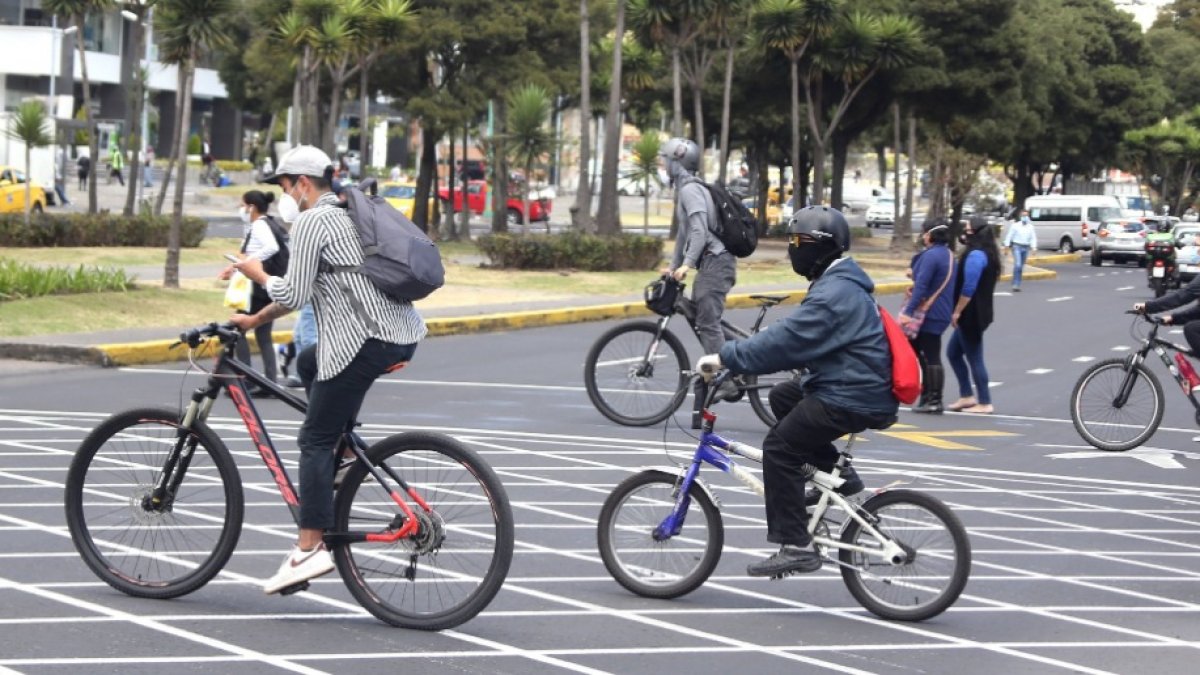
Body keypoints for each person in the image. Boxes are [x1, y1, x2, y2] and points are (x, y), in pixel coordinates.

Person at [229, 145, 426, 594]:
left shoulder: (313, 220)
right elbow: (306, 287)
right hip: (396, 333)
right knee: (307, 361)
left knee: (313, 441)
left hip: (364, 341)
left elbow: (292, 292)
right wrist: (255, 320)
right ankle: (347, 449)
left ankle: (309, 548)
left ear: (302, 183)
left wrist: (256, 273)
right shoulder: (346, 213)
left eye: (285, 186)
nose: (284, 196)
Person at [694, 207, 898, 577]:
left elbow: (787, 340)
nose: (792, 249)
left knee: (779, 449)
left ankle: (796, 545)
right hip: (853, 385)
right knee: (783, 397)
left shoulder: (834, 292)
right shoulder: (839, 284)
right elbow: (802, 342)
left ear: (820, 246)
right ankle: (840, 480)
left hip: (852, 394)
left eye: (798, 241)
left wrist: (726, 357)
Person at [659, 137, 739, 406]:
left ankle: (725, 381)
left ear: (677, 162)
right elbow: (683, 236)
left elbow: (699, 230)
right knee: (706, 317)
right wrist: (674, 266)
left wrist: (687, 264)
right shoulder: (687, 190)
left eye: (666, 160)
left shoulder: (691, 191)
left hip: (717, 263)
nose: (663, 165)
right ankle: (740, 357)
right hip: (712, 263)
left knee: (707, 322)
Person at [220, 190, 285, 394]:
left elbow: (271, 248)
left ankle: (246, 379)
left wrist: (246, 263)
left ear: (252, 207)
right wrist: (235, 267)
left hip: (259, 287)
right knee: (263, 334)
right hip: (267, 285)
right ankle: (270, 383)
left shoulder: (259, 225)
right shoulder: (269, 223)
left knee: (236, 329)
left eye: (243, 205)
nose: (241, 209)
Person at [900, 220, 956, 414]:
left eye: (924, 233)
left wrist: (908, 312)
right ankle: (927, 396)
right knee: (922, 353)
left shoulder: (931, 256)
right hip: (941, 311)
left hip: (928, 313)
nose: (923, 236)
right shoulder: (948, 255)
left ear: (930, 235)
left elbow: (922, 285)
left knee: (930, 356)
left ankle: (934, 399)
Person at [947, 216, 1001, 414]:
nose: (965, 232)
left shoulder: (976, 256)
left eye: (968, 228)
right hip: (978, 312)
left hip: (972, 315)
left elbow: (969, 287)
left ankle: (985, 402)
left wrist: (957, 311)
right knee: (953, 353)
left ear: (976, 232)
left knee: (974, 357)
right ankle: (966, 396)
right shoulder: (987, 252)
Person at [1003, 210, 1036, 292]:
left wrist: (1034, 248)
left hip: (1026, 247)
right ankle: (1015, 284)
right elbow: (1009, 236)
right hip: (1016, 246)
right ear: (1021, 217)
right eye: (1023, 216)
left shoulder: (1030, 227)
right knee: (1017, 264)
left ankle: (1017, 283)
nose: (1025, 217)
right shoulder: (1015, 226)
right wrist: (1006, 246)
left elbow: (1033, 238)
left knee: (1021, 266)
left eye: (1026, 216)